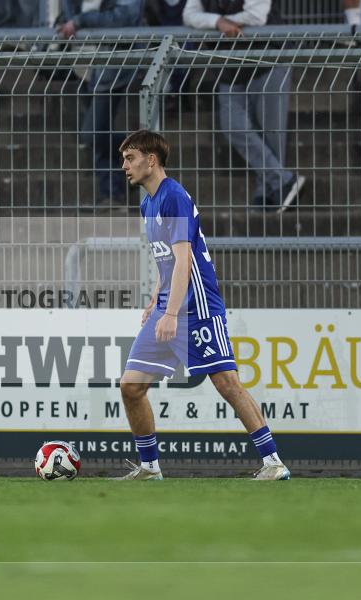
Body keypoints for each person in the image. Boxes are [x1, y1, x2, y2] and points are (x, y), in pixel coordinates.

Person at [114, 129, 290, 481]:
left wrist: (172, 313)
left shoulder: (174, 196)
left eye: (130, 158)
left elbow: (185, 261)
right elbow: (167, 260)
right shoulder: (147, 202)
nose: (124, 166)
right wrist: (156, 299)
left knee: (227, 383)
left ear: (151, 160)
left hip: (197, 307)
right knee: (131, 386)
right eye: (123, 160)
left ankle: (274, 462)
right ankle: (150, 468)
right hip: (169, 304)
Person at [183, 0, 305, 212]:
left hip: (270, 57)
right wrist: (218, 22)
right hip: (229, 64)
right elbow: (189, 15)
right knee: (232, 124)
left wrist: (214, 23)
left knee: (271, 131)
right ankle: (283, 181)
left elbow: (257, 16)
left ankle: (267, 192)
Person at [58, 0, 144, 207]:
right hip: (84, 65)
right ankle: (112, 193)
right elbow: (68, 14)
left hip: (113, 63)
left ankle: (141, 150)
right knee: (99, 134)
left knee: (93, 133)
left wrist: (79, 21)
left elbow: (127, 16)